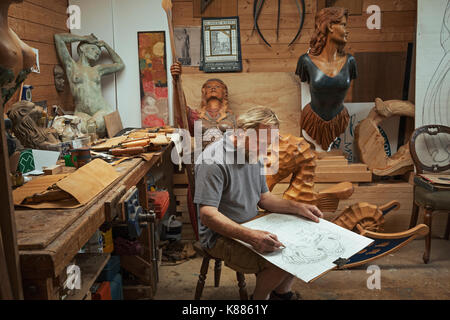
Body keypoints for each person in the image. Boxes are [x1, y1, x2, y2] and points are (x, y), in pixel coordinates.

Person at [194, 106, 323, 300]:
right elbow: (207, 215)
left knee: (303, 243)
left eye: (269, 143)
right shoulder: (213, 161)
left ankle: (282, 294)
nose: (266, 149)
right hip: (219, 236)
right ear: (241, 132)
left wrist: (298, 207)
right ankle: (259, 299)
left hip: (252, 222)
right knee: (283, 259)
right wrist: (251, 237)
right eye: (262, 142)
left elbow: (264, 198)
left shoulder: (253, 153)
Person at [296, 7, 357, 151]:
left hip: (339, 120)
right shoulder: (305, 61)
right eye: (343, 25)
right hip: (312, 120)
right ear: (330, 26)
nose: (346, 30)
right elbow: (305, 90)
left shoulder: (350, 62)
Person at [54, 33, 125, 137]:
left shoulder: (97, 69)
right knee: (79, 131)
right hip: (81, 112)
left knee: (92, 126)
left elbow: (120, 64)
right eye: (93, 49)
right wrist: (84, 38)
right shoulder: (71, 67)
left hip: (101, 110)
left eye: (98, 52)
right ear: (82, 48)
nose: (97, 53)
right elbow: (58, 38)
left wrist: (105, 45)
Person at [170, 62, 236, 146]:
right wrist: (176, 82)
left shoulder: (233, 118)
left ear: (225, 93)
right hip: (202, 157)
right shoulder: (196, 116)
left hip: (227, 157)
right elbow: (181, 110)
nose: (213, 88)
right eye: (208, 87)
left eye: (218, 87)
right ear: (204, 92)